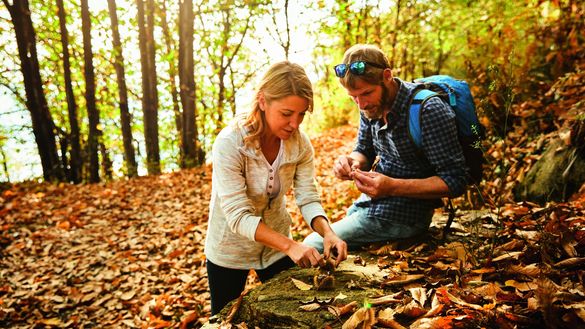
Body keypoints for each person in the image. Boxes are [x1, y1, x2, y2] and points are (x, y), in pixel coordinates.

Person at [204, 61, 348, 316]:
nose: (295, 123)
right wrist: (291, 246)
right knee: (223, 319)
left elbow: (307, 197)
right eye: (286, 113)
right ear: (262, 101)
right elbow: (237, 216)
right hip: (229, 250)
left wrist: (328, 232)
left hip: (276, 249)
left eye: (301, 114)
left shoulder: (300, 145)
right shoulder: (230, 143)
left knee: (291, 313)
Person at [304, 44, 468, 251]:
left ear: (387, 76)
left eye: (366, 93)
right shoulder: (369, 107)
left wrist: (392, 186)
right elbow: (364, 149)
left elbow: (455, 181)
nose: (361, 104)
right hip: (370, 206)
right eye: (353, 97)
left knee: (312, 245)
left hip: (404, 217)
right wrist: (352, 162)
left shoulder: (428, 110)